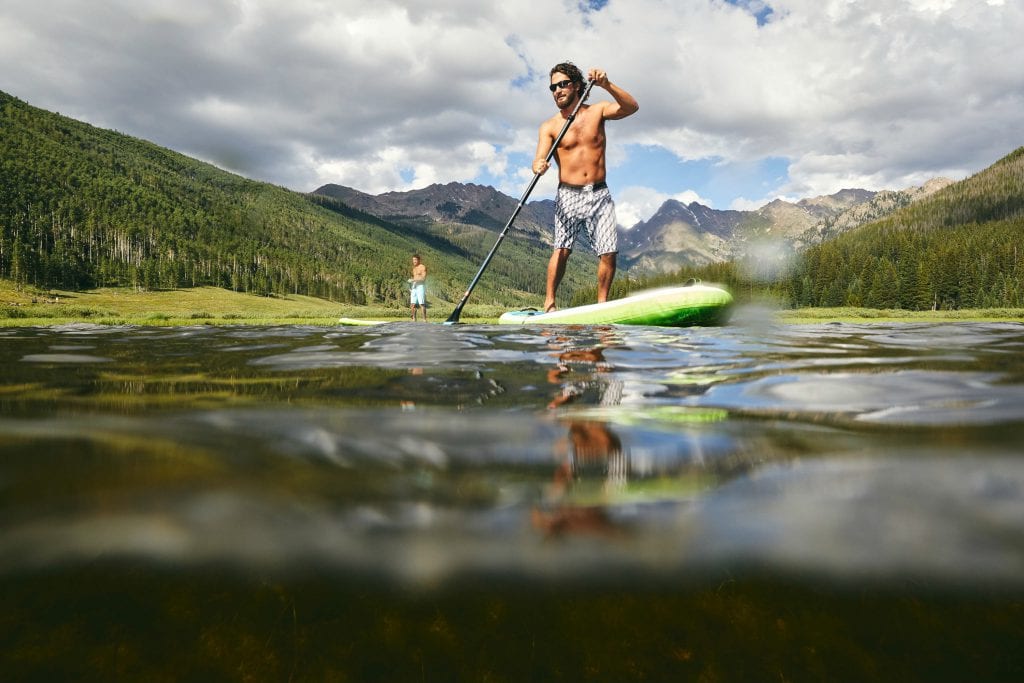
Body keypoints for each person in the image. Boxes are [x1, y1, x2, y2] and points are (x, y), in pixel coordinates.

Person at [533, 62, 638, 313]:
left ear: (577, 85)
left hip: (600, 193)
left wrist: (607, 85)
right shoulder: (549, 126)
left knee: (608, 251)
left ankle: (602, 305)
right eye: (552, 87)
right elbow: (539, 158)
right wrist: (539, 165)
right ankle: (549, 303)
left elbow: (631, 107)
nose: (557, 90)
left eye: (562, 84)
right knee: (562, 249)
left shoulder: (598, 111)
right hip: (568, 194)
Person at [409, 254, 427, 321]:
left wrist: (413, 280)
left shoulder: (423, 267)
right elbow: (415, 278)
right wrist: (411, 287)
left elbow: (423, 279)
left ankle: (424, 319)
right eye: (413, 260)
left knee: (421, 303)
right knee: (412, 304)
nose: (414, 261)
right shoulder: (414, 269)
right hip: (414, 286)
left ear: (419, 260)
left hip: (420, 286)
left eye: (415, 260)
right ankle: (414, 318)